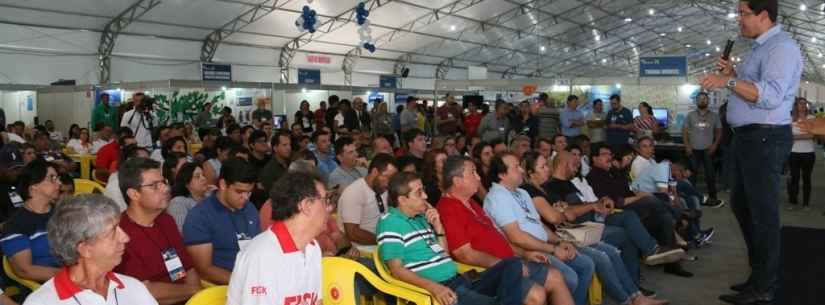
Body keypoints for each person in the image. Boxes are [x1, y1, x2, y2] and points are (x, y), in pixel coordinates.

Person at [698, 1, 801, 302]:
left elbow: (769, 96)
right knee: (743, 207)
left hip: (764, 139)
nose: (739, 19)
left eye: (744, 13)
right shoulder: (759, 47)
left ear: (763, 15)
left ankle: (765, 286)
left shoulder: (781, 48)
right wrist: (734, 74)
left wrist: (727, 80)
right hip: (748, 139)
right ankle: (759, 275)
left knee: (762, 215)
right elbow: (753, 87)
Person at [378, 171, 547, 305]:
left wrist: (438, 228)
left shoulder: (421, 219)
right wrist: (435, 288)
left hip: (460, 280)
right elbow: (397, 270)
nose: (426, 197)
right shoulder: (390, 223)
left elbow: (443, 255)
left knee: (513, 263)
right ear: (402, 200)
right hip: (443, 288)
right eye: (419, 193)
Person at [436, 155, 574, 305]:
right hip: (486, 272)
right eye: (473, 173)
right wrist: (507, 266)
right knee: (536, 294)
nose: (479, 178)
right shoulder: (447, 208)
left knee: (556, 276)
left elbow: (499, 240)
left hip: (508, 262)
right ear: (457, 181)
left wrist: (524, 253)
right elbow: (464, 254)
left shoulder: (471, 203)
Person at [482, 153, 595, 305]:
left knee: (585, 265)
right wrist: (552, 249)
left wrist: (559, 241)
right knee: (569, 277)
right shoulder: (497, 197)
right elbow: (517, 238)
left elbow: (538, 224)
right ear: (502, 174)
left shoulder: (521, 192)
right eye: (516, 167)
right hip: (524, 252)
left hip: (543, 245)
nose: (522, 170)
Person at [23, 194, 158, 305]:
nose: (126, 238)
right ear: (84, 249)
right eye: (113, 231)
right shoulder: (42, 302)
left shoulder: (133, 288)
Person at [586, 145, 693, 278]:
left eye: (610, 154)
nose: (609, 157)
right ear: (594, 158)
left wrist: (642, 195)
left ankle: (672, 262)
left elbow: (630, 191)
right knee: (651, 201)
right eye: (604, 154)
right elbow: (617, 202)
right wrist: (642, 196)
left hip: (632, 204)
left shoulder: (614, 172)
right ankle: (680, 219)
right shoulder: (594, 176)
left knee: (662, 214)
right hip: (619, 209)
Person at [227, 171, 328, 305]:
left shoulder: (312, 247)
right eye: (325, 200)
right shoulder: (262, 257)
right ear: (306, 205)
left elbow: (316, 301)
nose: (330, 207)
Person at [115, 157, 201, 304]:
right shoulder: (120, 233)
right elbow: (145, 291)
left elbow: (189, 268)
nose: (166, 188)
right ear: (134, 194)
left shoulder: (166, 220)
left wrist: (194, 293)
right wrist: (193, 290)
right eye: (155, 185)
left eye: (163, 182)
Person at [183, 158, 260, 286]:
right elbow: (204, 270)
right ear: (223, 185)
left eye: (249, 192)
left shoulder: (250, 208)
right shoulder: (199, 217)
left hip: (253, 280)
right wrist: (246, 283)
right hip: (221, 288)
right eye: (239, 191)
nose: (245, 198)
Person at [1, 159, 61, 282]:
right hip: (48, 287)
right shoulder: (16, 225)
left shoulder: (63, 213)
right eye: (52, 178)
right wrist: (72, 277)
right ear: (34, 186)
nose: (59, 183)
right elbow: (25, 270)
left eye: (58, 178)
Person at [337, 153, 397, 248]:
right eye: (387, 177)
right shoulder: (354, 192)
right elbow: (352, 233)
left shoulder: (382, 188)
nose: (389, 182)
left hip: (382, 243)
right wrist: (384, 240)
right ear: (374, 172)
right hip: (362, 250)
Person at [682, 92, 724, 207]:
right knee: (692, 176)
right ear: (696, 101)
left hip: (708, 150)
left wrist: (715, 145)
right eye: (700, 99)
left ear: (708, 101)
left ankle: (713, 198)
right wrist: (687, 145)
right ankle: (690, 198)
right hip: (693, 150)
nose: (702, 100)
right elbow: (684, 131)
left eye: (704, 99)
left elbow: (719, 131)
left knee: (710, 175)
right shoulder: (690, 115)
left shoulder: (714, 116)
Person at [786, 98, 815, 211]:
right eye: (800, 104)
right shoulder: (790, 119)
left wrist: (795, 137)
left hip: (808, 153)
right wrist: (803, 136)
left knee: (806, 178)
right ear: (796, 106)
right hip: (793, 153)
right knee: (794, 179)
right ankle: (793, 202)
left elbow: (812, 135)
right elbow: (787, 137)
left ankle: (806, 204)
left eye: (804, 104)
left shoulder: (811, 118)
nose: (803, 106)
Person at [103, 145, 150, 211]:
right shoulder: (115, 186)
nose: (149, 165)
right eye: (144, 161)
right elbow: (121, 215)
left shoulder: (143, 178)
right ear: (130, 161)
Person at [168, 162, 210, 233]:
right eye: (197, 176)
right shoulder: (178, 202)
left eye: (203, 175)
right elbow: (183, 232)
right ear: (187, 184)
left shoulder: (210, 197)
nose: (203, 178)